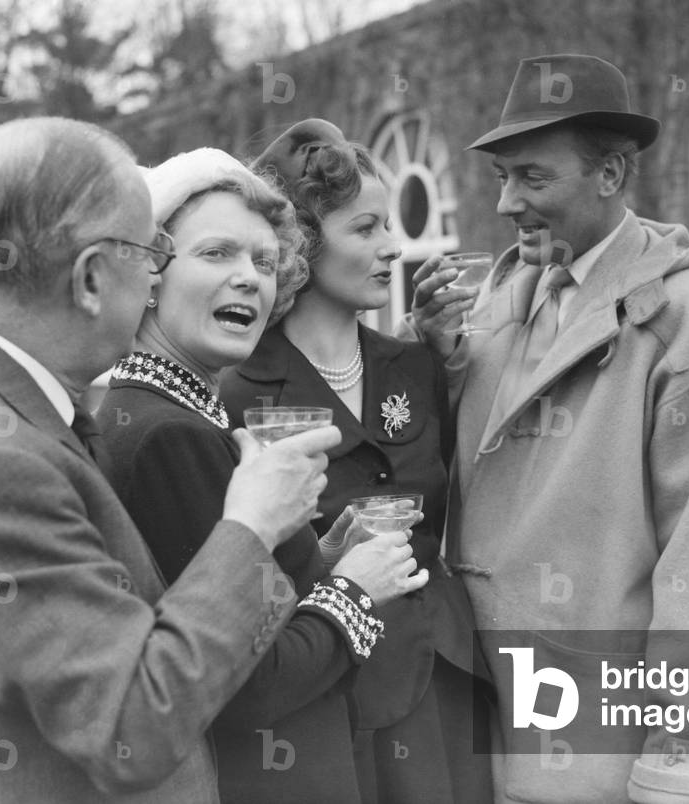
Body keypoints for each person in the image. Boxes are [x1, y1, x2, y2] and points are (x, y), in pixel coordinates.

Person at [404, 54, 689, 803]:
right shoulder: (501, 299)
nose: (508, 202)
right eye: (503, 177)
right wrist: (439, 368)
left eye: (533, 177)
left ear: (611, 174)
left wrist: (681, 770)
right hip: (486, 727)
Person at [0, 117, 346, 802]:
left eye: (264, 262)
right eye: (151, 256)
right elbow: (129, 727)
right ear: (90, 279)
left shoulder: (32, 413)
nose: (155, 279)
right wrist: (253, 529)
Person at [95, 147, 428, 804]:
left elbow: (241, 606)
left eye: (266, 261)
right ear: (151, 273)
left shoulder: (160, 412)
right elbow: (246, 685)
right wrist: (353, 593)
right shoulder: (172, 438)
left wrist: (322, 556)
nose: (250, 278)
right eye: (218, 253)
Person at [219, 119, 492, 804]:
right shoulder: (237, 391)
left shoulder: (416, 362)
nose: (391, 248)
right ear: (304, 246)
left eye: (389, 227)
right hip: (331, 701)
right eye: (365, 229)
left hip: (448, 682)